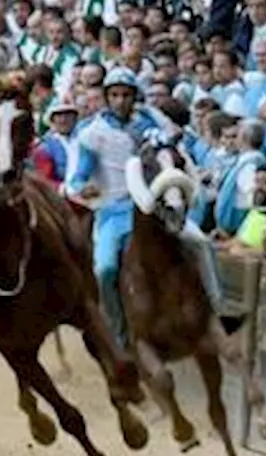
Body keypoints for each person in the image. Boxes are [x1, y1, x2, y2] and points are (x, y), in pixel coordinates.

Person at [66, 67, 239, 350]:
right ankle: (118, 333)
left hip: (159, 206)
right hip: (115, 210)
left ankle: (217, 312)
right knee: (105, 269)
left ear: (135, 96)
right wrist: (81, 186)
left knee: (201, 243)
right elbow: (77, 176)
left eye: (126, 94)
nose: (121, 100)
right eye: (115, 95)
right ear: (107, 97)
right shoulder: (92, 132)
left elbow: (180, 148)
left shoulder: (152, 120)